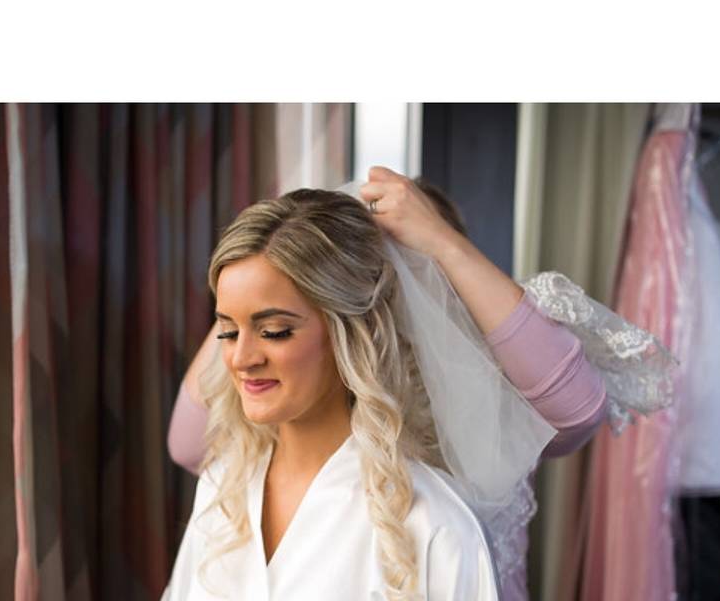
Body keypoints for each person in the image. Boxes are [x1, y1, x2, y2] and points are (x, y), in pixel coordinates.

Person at [166, 168, 610, 599]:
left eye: (276, 331)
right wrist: (281, 252)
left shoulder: (437, 518)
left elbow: (579, 410)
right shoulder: (223, 492)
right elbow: (189, 441)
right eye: (229, 332)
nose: (241, 357)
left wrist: (443, 244)